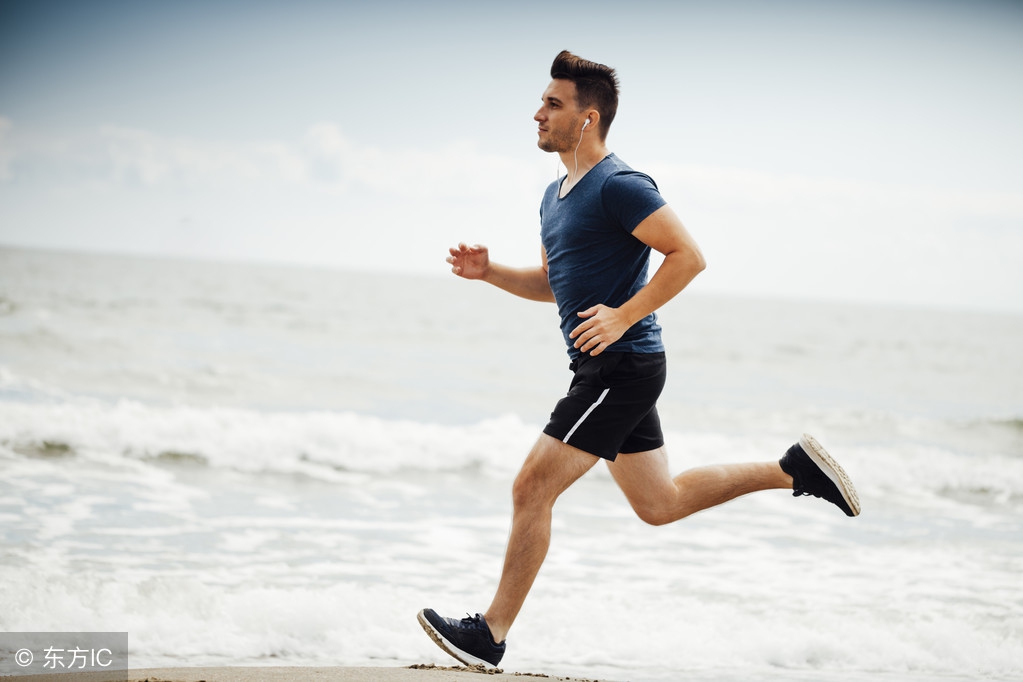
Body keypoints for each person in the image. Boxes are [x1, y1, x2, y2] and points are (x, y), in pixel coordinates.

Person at [417, 50, 860, 669]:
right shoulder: (554, 196)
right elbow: (554, 283)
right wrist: (490, 272)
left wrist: (624, 314)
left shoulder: (621, 186)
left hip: (621, 364)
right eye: (542, 101)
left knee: (531, 486)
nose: (538, 114)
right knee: (661, 504)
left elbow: (688, 255)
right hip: (608, 364)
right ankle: (792, 470)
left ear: (588, 117)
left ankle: (490, 634)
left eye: (553, 104)